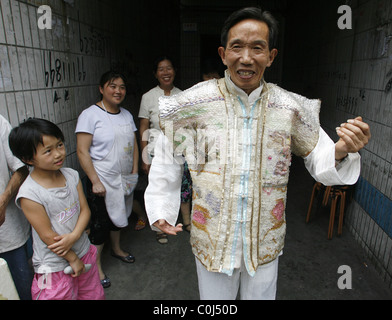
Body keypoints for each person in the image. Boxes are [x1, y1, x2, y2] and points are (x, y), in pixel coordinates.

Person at [144, 7, 371, 300]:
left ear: (271, 56)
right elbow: (167, 156)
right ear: (223, 53)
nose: (247, 57)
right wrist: (162, 207)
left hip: (264, 243)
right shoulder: (193, 102)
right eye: (237, 46)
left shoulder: (289, 107)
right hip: (213, 241)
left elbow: (318, 153)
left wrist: (341, 150)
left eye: (257, 48)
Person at [9, 118, 104, 300]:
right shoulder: (29, 194)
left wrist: (75, 237)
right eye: (48, 151)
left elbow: (85, 210)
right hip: (52, 267)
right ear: (28, 158)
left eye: (59, 145)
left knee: (93, 295)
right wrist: (72, 258)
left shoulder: (71, 175)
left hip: (83, 252)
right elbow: (47, 236)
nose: (58, 154)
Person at [76, 71, 139, 288]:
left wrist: (134, 172)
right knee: (100, 224)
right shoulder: (90, 115)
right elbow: (82, 151)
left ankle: (117, 249)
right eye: (113, 86)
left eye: (122, 87)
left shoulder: (127, 115)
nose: (118, 91)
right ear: (102, 88)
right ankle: (96, 266)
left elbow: (134, 146)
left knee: (118, 215)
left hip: (123, 178)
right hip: (101, 179)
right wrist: (95, 181)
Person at [139, 56, 192, 241]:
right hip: (155, 151)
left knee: (181, 185)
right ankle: (159, 227)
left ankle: (185, 220)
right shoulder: (148, 97)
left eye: (169, 68)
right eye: (161, 69)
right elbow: (144, 128)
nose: (166, 72)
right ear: (155, 73)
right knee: (158, 188)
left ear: (174, 71)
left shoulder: (182, 95)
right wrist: (144, 157)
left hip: (178, 151)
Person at [0, 115, 31, 300]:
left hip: (7, 231)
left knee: (20, 289)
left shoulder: (0, 122)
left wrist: (3, 202)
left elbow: (21, 168)